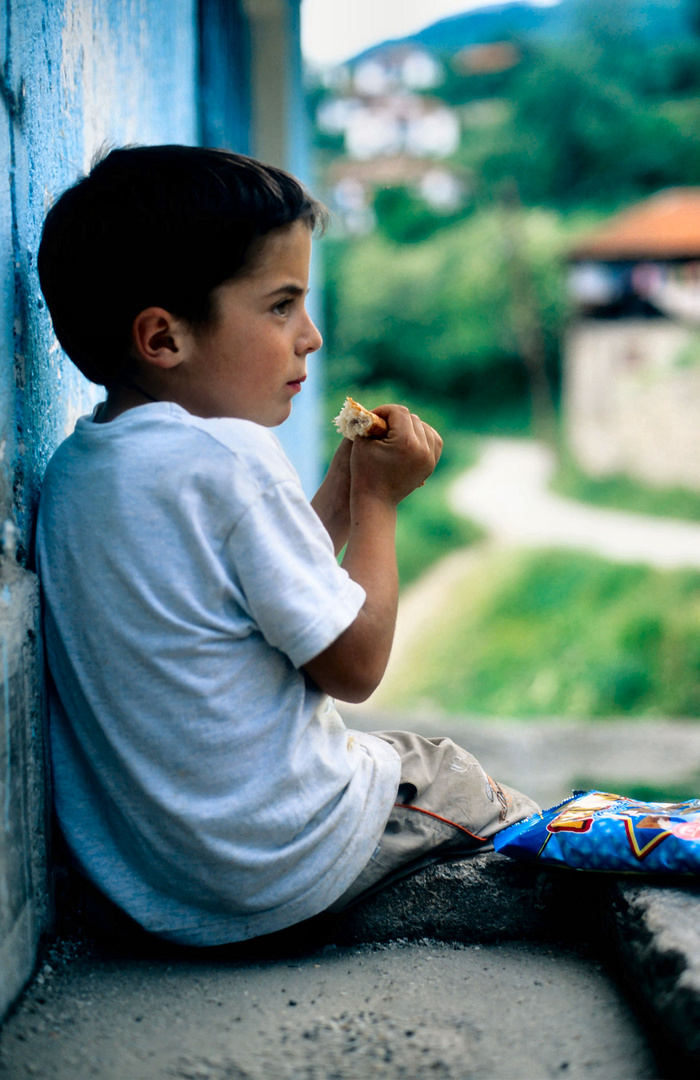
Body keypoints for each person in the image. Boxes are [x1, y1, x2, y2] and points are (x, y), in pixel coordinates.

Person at [36, 145, 539, 947]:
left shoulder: (84, 466)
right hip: (276, 866)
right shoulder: (231, 458)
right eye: (280, 307)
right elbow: (353, 666)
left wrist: (344, 478)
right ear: (163, 338)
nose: (309, 337)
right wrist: (378, 503)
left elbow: (268, 577)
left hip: (158, 889)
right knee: (440, 768)